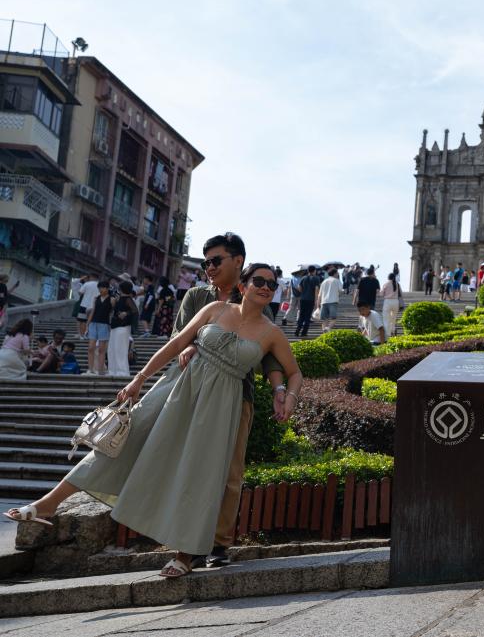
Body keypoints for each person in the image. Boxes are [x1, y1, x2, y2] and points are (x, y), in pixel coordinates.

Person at [3, 263, 303, 579]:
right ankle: (49, 502)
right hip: (180, 387)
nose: (266, 287)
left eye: (272, 284)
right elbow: (176, 344)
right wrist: (140, 378)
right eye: (259, 281)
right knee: (126, 440)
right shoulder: (216, 309)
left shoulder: (272, 333)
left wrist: (287, 396)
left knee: (202, 472)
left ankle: (185, 554)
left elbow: (294, 372)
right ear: (243, 285)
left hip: (221, 405)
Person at [176, 233, 288, 567]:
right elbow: (179, 337)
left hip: (238, 395)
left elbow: (271, 357)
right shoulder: (198, 296)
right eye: (205, 262)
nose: (209, 268)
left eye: (215, 261)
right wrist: (190, 346)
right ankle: (187, 539)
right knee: (189, 465)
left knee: (230, 472)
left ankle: (219, 543)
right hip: (194, 390)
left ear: (238, 261)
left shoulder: (257, 298)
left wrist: (279, 390)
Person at [108, 281, 138, 377]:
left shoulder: (128, 299)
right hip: (115, 326)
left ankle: (122, 372)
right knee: (112, 349)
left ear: (121, 289)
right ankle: (112, 370)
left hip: (123, 327)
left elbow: (135, 311)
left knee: (120, 349)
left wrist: (126, 313)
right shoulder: (119, 298)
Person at [85, 281, 113, 376]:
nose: (101, 290)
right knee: (91, 348)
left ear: (107, 288)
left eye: (103, 288)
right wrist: (87, 324)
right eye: (99, 288)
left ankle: (100, 370)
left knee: (101, 349)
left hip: (104, 324)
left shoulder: (112, 299)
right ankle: (91, 369)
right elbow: (93, 311)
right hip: (93, 323)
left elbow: (112, 313)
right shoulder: (96, 298)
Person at [295, 266, 322, 337]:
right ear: (314, 271)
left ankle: (297, 330)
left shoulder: (303, 278)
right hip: (311, 299)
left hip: (303, 299)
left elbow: (299, 288)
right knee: (308, 316)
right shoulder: (316, 278)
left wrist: (304, 292)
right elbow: (316, 290)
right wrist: (316, 301)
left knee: (301, 315)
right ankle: (304, 332)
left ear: (308, 271)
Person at [76, 274, 99, 339]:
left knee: (82, 320)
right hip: (95, 305)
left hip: (84, 304)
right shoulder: (99, 285)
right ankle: (88, 334)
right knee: (92, 321)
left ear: (91, 277)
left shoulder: (87, 284)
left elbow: (80, 293)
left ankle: (82, 335)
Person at [380, 272, 402, 338]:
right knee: (393, 318)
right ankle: (393, 330)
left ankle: (387, 334)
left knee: (386, 319)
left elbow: (381, 294)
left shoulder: (386, 284)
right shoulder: (397, 284)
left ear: (388, 277)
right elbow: (400, 293)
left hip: (388, 301)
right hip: (396, 302)